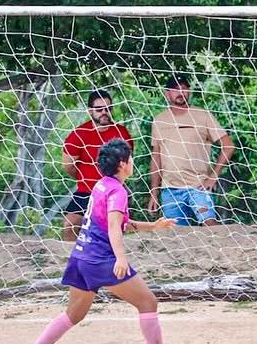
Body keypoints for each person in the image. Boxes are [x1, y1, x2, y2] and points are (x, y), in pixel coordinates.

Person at [35, 139, 175, 344]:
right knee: (148, 302)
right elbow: (113, 228)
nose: (133, 161)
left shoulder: (102, 185)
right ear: (122, 164)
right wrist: (120, 258)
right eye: (130, 158)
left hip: (81, 257)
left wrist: (153, 226)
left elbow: (119, 224)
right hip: (100, 260)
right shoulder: (118, 192)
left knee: (73, 315)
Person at [148, 76, 235, 226]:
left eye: (184, 88)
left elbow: (228, 146)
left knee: (210, 224)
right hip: (170, 189)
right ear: (167, 93)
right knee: (174, 236)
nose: (181, 92)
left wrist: (213, 177)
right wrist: (154, 193)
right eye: (176, 89)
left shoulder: (203, 115)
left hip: (199, 186)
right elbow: (156, 157)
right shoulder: (159, 120)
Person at [62, 90, 134, 241]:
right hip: (86, 191)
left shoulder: (121, 132)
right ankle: (73, 260)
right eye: (99, 109)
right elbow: (68, 166)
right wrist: (86, 177)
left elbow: (126, 164)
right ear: (90, 110)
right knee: (70, 225)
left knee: (112, 230)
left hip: (113, 191)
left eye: (107, 109)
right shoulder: (78, 134)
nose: (104, 112)